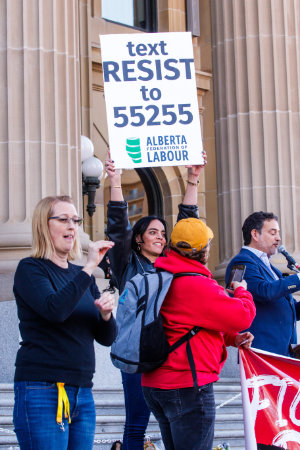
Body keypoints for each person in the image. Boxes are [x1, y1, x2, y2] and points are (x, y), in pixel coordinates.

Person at [105, 153, 206, 450]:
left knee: (170, 424)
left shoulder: (171, 266)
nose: (161, 238)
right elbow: (116, 226)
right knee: (136, 423)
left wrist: (192, 179)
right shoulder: (126, 262)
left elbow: (188, 224)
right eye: (153, 233)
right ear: (138, 239)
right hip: (137, 354)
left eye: (163, 233)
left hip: (170, 353)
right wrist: (114, 180)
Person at [141, 217, 256, 450]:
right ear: (202, 252)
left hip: (156, 382)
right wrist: (242, 292)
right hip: (187, 385)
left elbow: (184, 326)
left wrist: (232, 339)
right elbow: (244, 316)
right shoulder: (195, 284)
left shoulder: (161, 275)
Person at [13, 195, 117, 450]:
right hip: (43, 389)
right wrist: (89, 265)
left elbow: (106, 338)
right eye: (64, 219)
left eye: (76, 220)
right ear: (44, 225)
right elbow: (55, 310)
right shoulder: (31, 269)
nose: (73, 226)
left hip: (82, 390)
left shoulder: (81, 276)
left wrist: (106, 315)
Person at [225, 211, 300, 356]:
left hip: (282, 353)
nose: (278, 238)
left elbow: (289, 311)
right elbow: (264, 291)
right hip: (261, 353)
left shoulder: (272, 269)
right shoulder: (241, 261)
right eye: (272, 233)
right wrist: (298, 279)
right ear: (255, 234)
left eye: (277, 233)